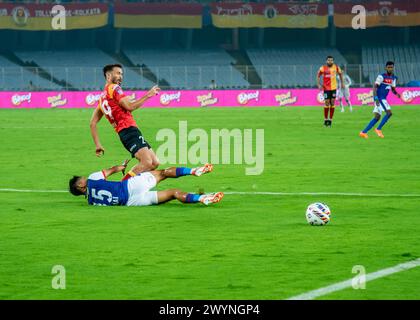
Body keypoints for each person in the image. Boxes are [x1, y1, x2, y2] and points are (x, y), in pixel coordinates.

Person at [90, 64, 161, 181]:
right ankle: (121, 186)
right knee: (147, 162)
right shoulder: (114, 88)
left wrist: (98, 145)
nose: (121, 76)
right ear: (108, 75)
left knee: (154, 162)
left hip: (127, 132)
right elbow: (130, 107)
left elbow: (92, 123)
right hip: (128, 130)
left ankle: (135, 187)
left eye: (121, 74)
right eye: (117, 73)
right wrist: (148, 95)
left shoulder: (102, 98)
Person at [68, 161, 224, 207]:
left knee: (173, 193)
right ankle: (193, 171)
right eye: (80, 180)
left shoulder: (92, 202)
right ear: (80, 187)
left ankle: (202, 199)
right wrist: (122, 167)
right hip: (130, 187)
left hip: (132, 202)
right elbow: (112, 170)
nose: (84, 178)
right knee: (162, 173)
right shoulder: (92, 178)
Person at [359, 61, 401, 139]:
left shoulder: (394, 78)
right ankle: (378, 129)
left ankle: (363, 132)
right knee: (389, 113)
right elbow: (375, 87)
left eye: (391, 67)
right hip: (379, 98)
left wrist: (397, 94)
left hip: (383, 98)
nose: (390, 68)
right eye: (388, 67)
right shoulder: (381, 76)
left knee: (377, 117)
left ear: (393, 68)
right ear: (386, 68)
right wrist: (376, 98)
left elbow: (392, 88)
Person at [317, 56, 344, 127]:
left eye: (331, 60)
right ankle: (325, 119)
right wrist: (319, 84)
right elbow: (318, 75)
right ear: (326, 61)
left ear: (333, 61)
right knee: (326, 103)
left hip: (334, 88)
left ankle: (330, 120)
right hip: (326, 88)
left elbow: (341, 74)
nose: (330, 61)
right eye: (329, 60)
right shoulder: (322, 68)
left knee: (332, 103)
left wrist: (342, 83)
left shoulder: (336, 67)